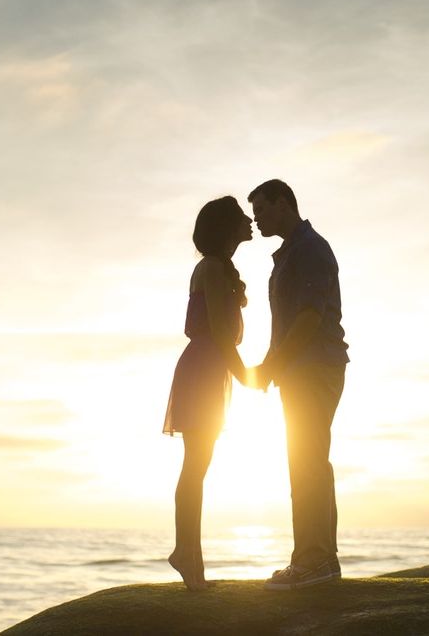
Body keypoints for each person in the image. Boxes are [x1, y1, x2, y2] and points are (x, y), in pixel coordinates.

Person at [248, 179, 349, 590]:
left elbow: (308, 318)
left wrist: (272, 365)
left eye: (262, 211)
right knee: (308, 462)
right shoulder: (292, 252)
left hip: (313, 367)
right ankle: (318, 560)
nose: (256, 220)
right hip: (302, 368)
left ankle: (313, 562)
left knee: (308, 462)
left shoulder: (309, 249)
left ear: (284, 203)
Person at [163, 196, 256, 590]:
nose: (250, 221)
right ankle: (187, 555)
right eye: (241, 218)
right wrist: (249, 377)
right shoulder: (213, 268)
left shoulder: (218, 268)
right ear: (226, 227)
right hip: (204, 368)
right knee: (196, 466)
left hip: (209, 368)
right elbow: (220, 332)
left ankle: (190, 557)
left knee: (198, 465)